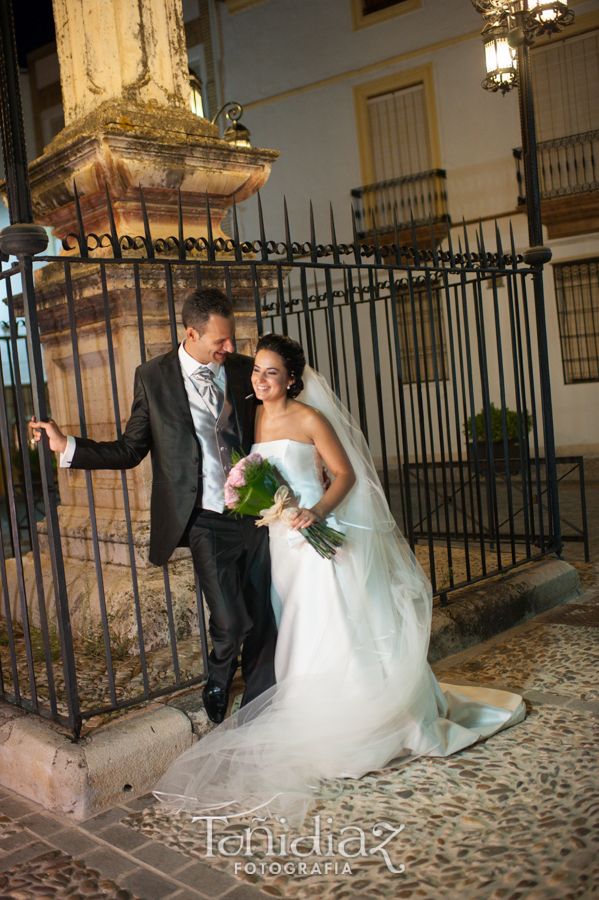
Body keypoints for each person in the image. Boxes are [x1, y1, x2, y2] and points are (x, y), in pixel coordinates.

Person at [154, 334, 525, 825]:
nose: (260, 380)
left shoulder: (309, 417)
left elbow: (345, 474)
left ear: (291, 377)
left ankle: (365, 723)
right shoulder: (254, 416)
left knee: (336, 622)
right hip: (281, 545)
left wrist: (316, 512)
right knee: (297, 625)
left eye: (271, 373)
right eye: (257, 371)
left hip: (315, 535)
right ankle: (310, 717)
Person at [30, 289, 277, 724]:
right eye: (220, 341)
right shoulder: (154, 376)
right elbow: (130, 448)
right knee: (230, 620)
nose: (229, 348)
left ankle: (259, 701)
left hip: (257, 511)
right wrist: (66, 445)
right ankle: (219, 678)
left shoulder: (241, 370)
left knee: (263, 614)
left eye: (231, 339)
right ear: (191, 333)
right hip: (203, 517)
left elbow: (271, 427)